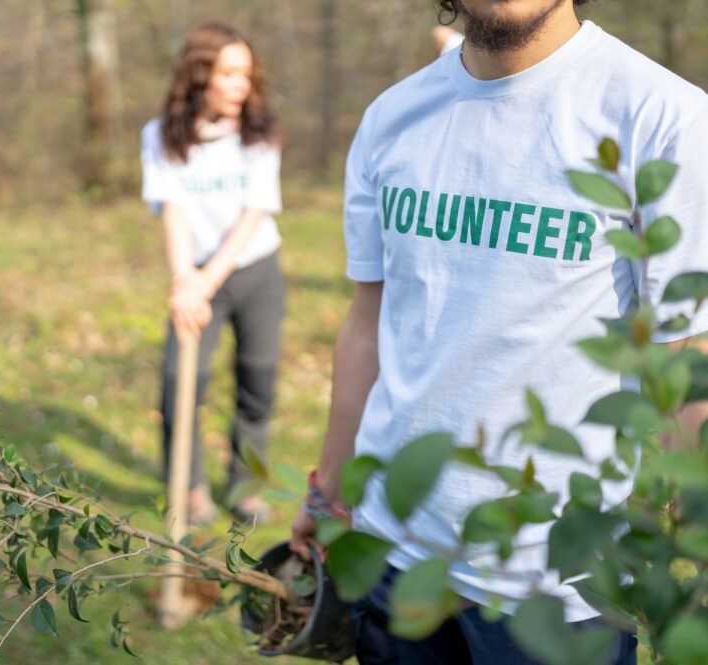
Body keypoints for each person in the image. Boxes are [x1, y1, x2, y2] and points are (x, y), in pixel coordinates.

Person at [291, 1, 708, 663]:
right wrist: (330, 494)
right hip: (394, 555)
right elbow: (367, 325)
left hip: (562, 587)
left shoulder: (663, 118)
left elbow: (684, 351)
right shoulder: (391, 117)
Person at [141, 22, 284, 526]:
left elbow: (254, 214)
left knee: (257, 383)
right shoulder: (161, 135)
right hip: (196, 279)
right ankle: (189, 488)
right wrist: (186, 281)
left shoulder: (260, 133)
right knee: (179, 383)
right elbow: (173, 209)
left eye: (246, 74)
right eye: (228, 73)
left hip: (255, 271)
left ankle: (245, 487)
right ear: (199, 75)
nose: (240, 85)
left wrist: (207, 279)